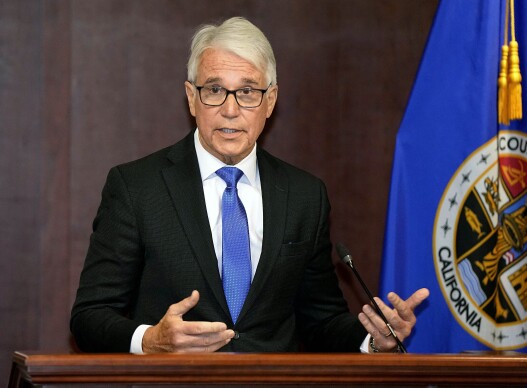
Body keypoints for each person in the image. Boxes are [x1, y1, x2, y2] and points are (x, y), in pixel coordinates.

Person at [70, 16, 429, 354]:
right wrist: (150, 340)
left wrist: (373, 339)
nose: (230, 110)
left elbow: (320, 320)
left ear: (269, 101)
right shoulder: (137, 188)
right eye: (214, 90)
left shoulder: (304, 196)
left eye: (247, 92)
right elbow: (89, 316)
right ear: (191, 98)